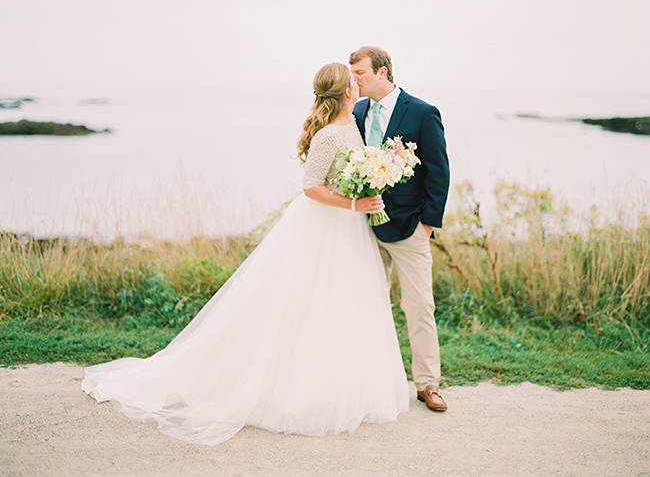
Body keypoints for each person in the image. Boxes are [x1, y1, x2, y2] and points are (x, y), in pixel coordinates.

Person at [82, 63, 409, 446]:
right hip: (326, 225)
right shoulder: (327, 136)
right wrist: (355, 204)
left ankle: (348, 386)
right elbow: (310, 187)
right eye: (352, 80)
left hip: (349, 228)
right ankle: (298, 391)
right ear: (343, 92)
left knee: (345, 305)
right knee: (309, 304)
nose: (358, 83)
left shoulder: (353, 122)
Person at [349, 46, 450, 411]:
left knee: (419, 306)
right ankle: (366, 381)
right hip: (364, 228)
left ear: (382, 72)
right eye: (352, 73)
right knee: (364, 303)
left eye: (359, 73)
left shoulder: (422, 112)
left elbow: (439, 172)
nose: (354, 79)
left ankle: (428, 384)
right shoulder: (357, 111)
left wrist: (427, 225)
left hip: (410, 228)